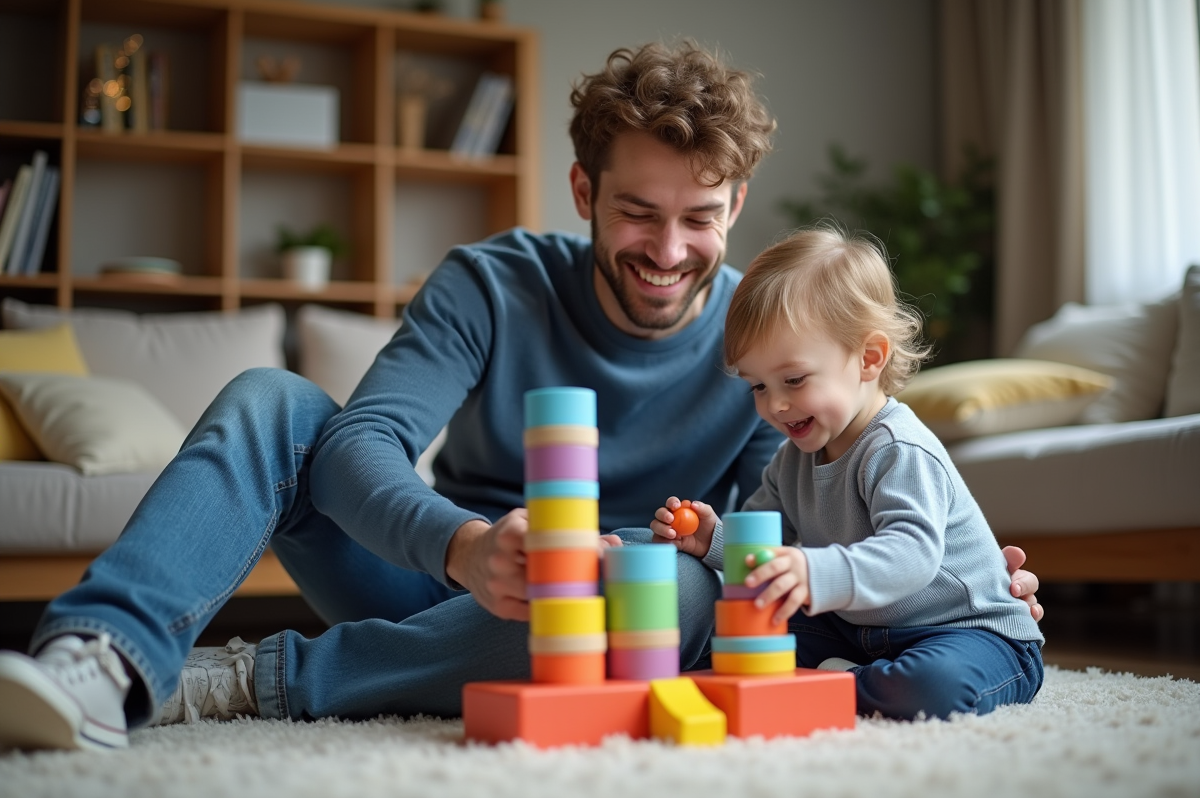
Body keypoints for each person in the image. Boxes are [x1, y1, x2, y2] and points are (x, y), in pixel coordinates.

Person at [0, 42, 1041, 753]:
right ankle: (99, 657)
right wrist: (460, 545)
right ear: (584, 191)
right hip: (428, 577)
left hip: (597, 615)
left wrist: (941, 582)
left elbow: (763, 533)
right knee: (275, 397)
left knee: (674, 598)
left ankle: (259, 677)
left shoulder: (763, 346)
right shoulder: (492, 282)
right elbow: (360, 445)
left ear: (737, 205)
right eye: (638, 212)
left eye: (702, 218)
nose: (670, 252)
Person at [651, 226, 1044, 720]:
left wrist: (812, 571)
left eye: (793, 379)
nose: (774, 404)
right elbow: (761, 553)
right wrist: (713, 539)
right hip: (855, 632)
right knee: (737, 639)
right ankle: (839, 676)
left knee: (927, 689)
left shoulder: (899, 449)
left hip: (965, 631)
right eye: (757, 386)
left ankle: (831, 684)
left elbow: (911, 555)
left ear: (869, 358)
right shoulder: (791, 460)